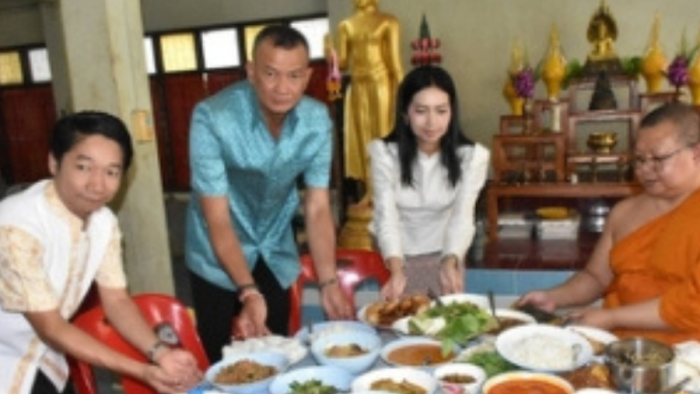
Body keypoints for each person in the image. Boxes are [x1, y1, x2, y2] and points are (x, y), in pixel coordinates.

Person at [0, 111, 202, 394]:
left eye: (111, 171)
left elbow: (117, 300)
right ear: (53, 162)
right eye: (83, 167)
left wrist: (161, 353)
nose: (97, 184)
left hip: (44, 358)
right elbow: (52, 327)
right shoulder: (16, 226)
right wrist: (143, 371)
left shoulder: (103, 221)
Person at [186, 25, 352, 362]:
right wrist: (247, 290)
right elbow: (217, 217)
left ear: (307, 77)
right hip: (216, 252)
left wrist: (328, 280)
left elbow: (318, 206)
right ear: (251, 71)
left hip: (275, 247)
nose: (282, 88)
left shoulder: (317, 121)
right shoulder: (212, 118)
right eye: (271, 74)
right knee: (222, 359)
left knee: (279, 351)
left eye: (293, 76)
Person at [519, 102, 700, 345]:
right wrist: (553, 297)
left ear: (696, 154)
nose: (645, 170)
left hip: (687, 355)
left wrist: (612, 317)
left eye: (658, 159)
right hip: (617, 348)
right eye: (639, 160)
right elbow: (596, 277)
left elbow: (692, 305)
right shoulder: (625, 213)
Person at [369, 66, 490, 300]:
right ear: (405, 114)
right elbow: (386, 216)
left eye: (441, 111)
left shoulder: (472, 157)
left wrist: (450, 260)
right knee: (397, 321)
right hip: (393, 254)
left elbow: (462, 217)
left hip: (445, 251)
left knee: (445, 324)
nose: (432, 122)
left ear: (452, 112)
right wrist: (396, 269)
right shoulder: (384, 154)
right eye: (421, 111)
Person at [336, 0, 404, 197]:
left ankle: (387, 190)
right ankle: (369, 192)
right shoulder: (346, 25)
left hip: (380, 83)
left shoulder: (388, 21)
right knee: (362, 137)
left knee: (382, 134)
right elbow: (341, 63)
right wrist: (329, 54)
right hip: (358, 85)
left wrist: (406, 94)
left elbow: (395, 63)